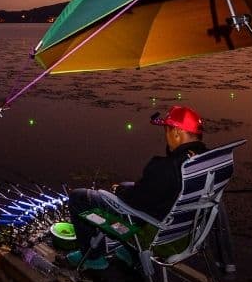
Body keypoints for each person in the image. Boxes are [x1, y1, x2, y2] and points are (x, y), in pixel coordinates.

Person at [66, 105, 208, 269]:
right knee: (128, 186)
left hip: (153, 235)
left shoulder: (165, 168)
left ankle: (93, 257)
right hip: (185, 231)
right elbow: (148, 192)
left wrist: (117, 191)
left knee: (79, 198)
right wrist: (125, 188)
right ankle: (130, 253)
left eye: (167, 130)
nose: (166, 135)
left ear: (176, 132)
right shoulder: (206, 162)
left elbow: (136, 200)